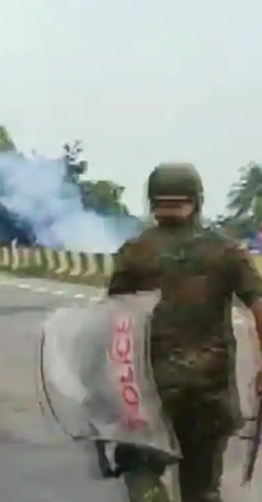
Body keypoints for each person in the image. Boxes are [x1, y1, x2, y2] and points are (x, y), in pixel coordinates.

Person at [106, 162, 262, 501]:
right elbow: (259, 307)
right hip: (209, 394)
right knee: (202, 488)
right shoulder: (226, 252)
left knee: (140, 468)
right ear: (198, 200)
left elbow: (113, 321)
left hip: (148, 391)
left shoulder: (134, 253)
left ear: (152, 201)